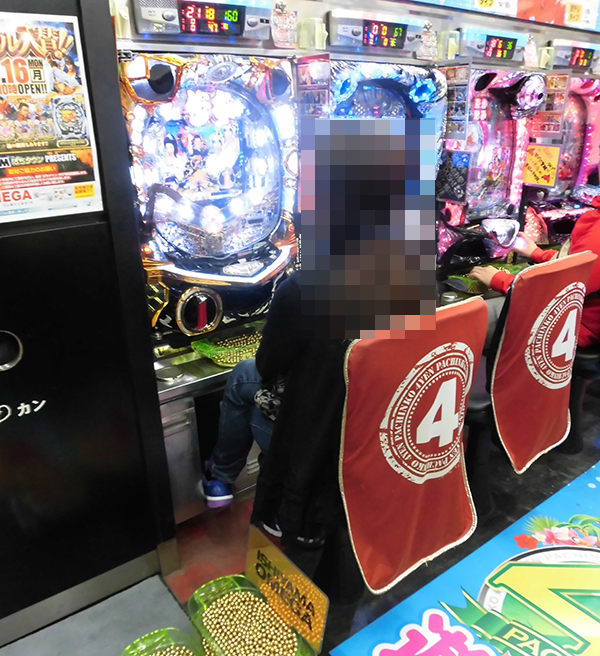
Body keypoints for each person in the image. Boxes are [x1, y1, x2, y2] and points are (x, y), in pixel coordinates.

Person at [469, 198, 600, 349]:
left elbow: (560, 293)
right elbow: (576, 261)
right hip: (572, 317)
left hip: (567, 328)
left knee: (472, 317)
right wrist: (537, 253)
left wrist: (502, 281)